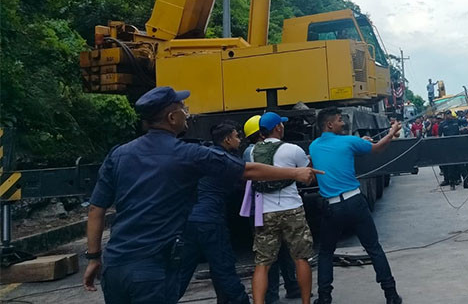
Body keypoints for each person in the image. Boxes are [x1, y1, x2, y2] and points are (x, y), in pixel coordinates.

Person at [82, 86, 321, 304]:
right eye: (183, 109)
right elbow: (246, 171)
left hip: (115, 267)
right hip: (151, 269)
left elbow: (96, 209)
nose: (187, 113)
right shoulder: (188, 154)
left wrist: (94, 257)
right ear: (171, 118)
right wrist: (295, 172)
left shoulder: (119, 154)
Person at [309, 109, 403, 304]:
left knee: (326, 253)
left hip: (331, 207)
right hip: (354, 202)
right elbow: (377, 149)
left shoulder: (314, 146)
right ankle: (391, 295)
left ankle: (324, 298)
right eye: (339, 120)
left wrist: (362, 142)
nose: (342, 122)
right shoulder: (349, 141)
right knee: (373, 248)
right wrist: (392, 133)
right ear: (329, 125)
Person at [240, 112, 314, 304]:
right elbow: (307, 177)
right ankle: (305, 301)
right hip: (292, 209)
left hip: (264, 211)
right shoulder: (293, 149)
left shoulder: (251, 152)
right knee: (301, 258)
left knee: (262, 263)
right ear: (278, 128)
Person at [177, 121, 249, 304]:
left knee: (181, 273)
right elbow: (244, 180)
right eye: (236, 136)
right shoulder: (225, 161)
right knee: (225, 270)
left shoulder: (204, 156)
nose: (239, 140)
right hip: (211, 221)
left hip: (190, 221)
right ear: (227, 139)